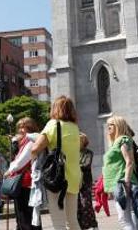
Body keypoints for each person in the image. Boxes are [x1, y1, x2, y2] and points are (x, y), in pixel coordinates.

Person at [31, 95, 82, 230]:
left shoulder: (53, 124)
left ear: (55, 109)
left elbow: (35, 148)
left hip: (57, 177)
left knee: (58, 223)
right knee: (72, 220)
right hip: (74, 177)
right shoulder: (74, 127)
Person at [102, 116, 138, 230]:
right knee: (125, 218)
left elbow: (129, 162)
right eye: (107, 124)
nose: (108, 127)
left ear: (118, 125)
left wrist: (126, 182)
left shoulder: (122, 140)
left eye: (111, 124)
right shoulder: (115, 142)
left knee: (124, 220)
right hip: (116, 184)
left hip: (121, 183)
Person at [4, 118, 41, 230]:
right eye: (19, 127)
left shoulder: (30, 142)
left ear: (30, 128)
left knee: (25, 217)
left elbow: (20, 162)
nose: (20, 130)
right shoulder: (24, 142)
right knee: (24, 217)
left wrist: (8, 171)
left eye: (23, 127)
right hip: (23, 183)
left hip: (26, 183)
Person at [77, 134, 98, 230]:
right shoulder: (73, 152)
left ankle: (93, 224)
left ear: (83, 142)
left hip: (85, 182)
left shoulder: (88, 153)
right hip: (75, 182)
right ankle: (82, 226)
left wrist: (75, 165)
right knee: (77, 205)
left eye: (78, 140)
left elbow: (86, 164)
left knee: (86, 204)